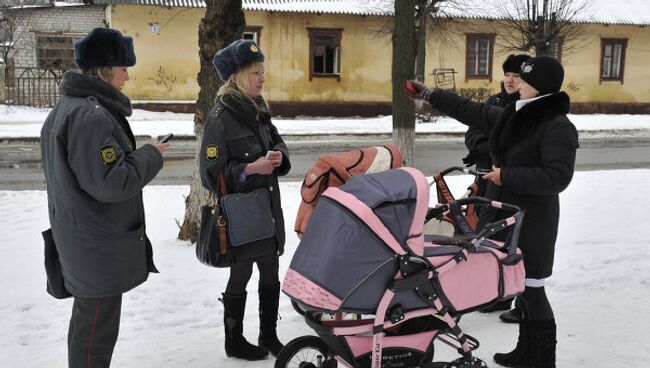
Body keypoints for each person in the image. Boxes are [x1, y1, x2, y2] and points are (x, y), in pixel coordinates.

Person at [408, 55, 579, 368]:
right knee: (517, 285)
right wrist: (430, 95)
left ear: (540, 88)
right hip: (504, 216)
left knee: (533, 290)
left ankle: (542, 360)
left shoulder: (557, 126)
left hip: (533, 222)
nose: (516, 84)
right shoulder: (518, 114)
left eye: (524, 81)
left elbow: (558, 177)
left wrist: (506, 175)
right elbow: (472, 111)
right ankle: (525, 351)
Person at [40, 27, 168, 367]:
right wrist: (152, 154)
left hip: (84, 241)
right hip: (95, 247)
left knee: (89, 328)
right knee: (95, 333)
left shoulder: (69, 109)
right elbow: (113, 183)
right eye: (123, 67)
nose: (127, 76)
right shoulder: (90, 116)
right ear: (105, 69)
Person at [199, 39, 291, 361]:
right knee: (242, 272)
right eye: (256, 73)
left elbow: (277, 140)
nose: (262, 78)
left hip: (266, 208)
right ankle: (234, 340)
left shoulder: (259, 109)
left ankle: (269, 335)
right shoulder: (220, 118)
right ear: (236, 76)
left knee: (271, 269)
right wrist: (251, 168)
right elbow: (210, 174)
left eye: (262, 71)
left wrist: (280, 156)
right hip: (241, 216)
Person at [465, 54, 531, 319]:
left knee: (515, 240)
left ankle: (518, 298)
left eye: (517, 76)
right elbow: (473, 135)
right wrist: (487, 149)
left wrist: (496, 151)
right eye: (507, 75)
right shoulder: (494, 102)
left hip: (512, 183)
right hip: (486, 178)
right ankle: (494, 293)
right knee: (487, 235)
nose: (510, 80)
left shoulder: (527, 106)